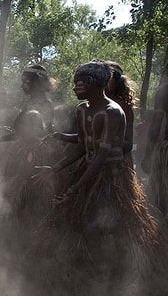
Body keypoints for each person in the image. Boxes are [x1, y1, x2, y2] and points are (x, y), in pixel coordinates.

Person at [31, 61, 158, 296]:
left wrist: (77, 186)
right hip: (88, 173)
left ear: (97, 83)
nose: (75, 86)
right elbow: (83, 145)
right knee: (78, 224)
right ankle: (82, 274)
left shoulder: (113, 112)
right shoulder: (82, 110)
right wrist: (56, 167)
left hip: (110, 178)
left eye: (82, 81)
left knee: (106, 226)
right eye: (75, 80)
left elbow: (101, 155)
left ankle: (111, 279)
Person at [142, 75, 168, 216]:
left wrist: (148, 155)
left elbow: (156, 124)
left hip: (165, 151)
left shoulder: (164, 91)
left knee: (160, 199)